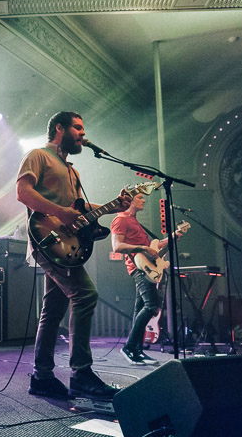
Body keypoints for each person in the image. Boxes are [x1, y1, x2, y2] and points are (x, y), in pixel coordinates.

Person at [17, 111, 131, 399]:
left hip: (64, 245)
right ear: (59, 128)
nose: (82, 133)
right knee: (85, 295)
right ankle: (81, 373)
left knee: (52, 310)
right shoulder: (38, 156)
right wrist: (59, 212)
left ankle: (41, 376)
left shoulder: (72, 170)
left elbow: (76, 209)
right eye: (78, 127)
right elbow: (23, 193)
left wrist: (115, 205)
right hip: (46, 239)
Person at [110, 193, 174, 365]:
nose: (144, 200)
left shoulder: (134, 221)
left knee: (141, 309)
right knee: (152, 306)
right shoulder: (121, 219)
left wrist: (172, 238)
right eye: (139, 197)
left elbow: (152, 248)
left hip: (146, 266)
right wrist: (142, 247)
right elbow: (117, 246)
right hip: (139, 268)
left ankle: (137, 351)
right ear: (130, 200)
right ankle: (129, 347)